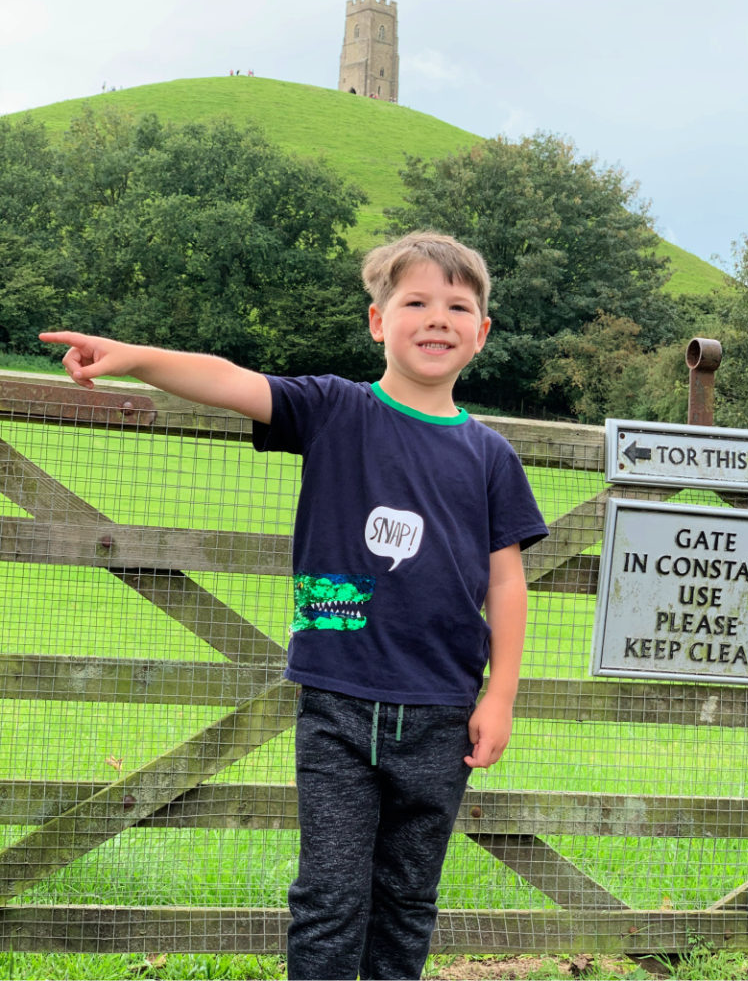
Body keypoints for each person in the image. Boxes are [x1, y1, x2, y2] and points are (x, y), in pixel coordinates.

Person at [40, 231, 548, 980]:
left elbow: (506, 582)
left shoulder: (490, 456)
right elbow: (229, 378)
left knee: (408, 898)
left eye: (457, 305)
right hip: (338, 704)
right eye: (415, 301)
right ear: (379, 321)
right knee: (331, 895)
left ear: (482, 332)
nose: (437, 318)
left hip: (443, 712)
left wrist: (500, 694)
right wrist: (135, 357)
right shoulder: (334, 410)